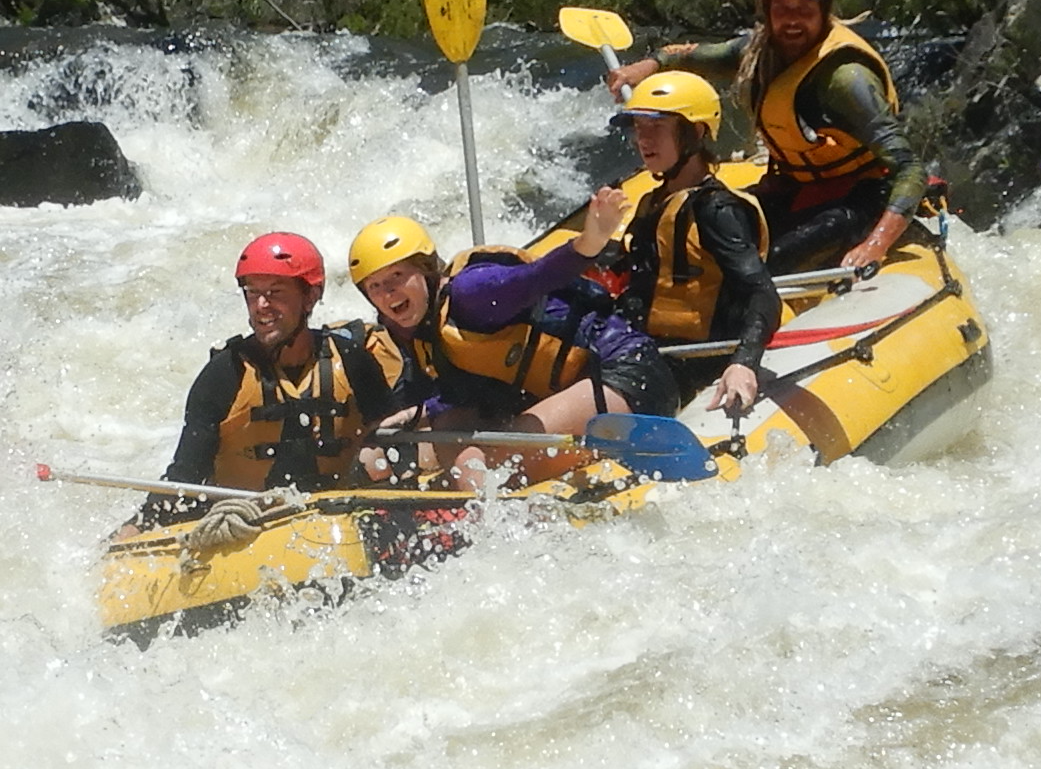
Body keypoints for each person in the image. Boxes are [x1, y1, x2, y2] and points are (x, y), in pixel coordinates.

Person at [605, 0, 929, 277]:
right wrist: (643, 68)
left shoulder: (846, 79)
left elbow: (910, 167)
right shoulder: (758, 51)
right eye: (782, 8)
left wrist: (876, 245)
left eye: (805, 9)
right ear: (767, 10)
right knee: (708, 231)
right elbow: (684, 56)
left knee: (761, 263)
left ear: (825, 9)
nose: (792, 20)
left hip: (860, 198)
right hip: (798, 188)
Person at [346, 210, 680, 492]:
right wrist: (410, 416)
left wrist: (587, 243)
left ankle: (498, 509)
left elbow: (540, 275)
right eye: (375, 286)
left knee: (493, 461)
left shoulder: (471, 293)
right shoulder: (419, 331)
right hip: (569, 393)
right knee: (448, 445)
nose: (389, 292)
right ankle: (477, 510)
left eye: (398, 276)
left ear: (425, 269)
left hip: (628, 376)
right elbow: (455, 399)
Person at [120, 232, 397, 546]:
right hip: (243, 529)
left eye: (276, 292)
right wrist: (136, 528)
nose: (262, 306)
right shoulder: (225, 375)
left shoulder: (351, 361)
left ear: (310, 297)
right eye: (253, 293)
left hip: (335, 521)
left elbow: (394, 441)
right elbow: (185, 474)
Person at [603, 70, 780, 417]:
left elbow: (762, 293)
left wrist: (744, 362)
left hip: (685, 363)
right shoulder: (653, 201)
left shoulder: (716, 210)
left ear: (695, 133)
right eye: (639, 128)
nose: (644, 140)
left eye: (657, 128)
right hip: (638, 349)